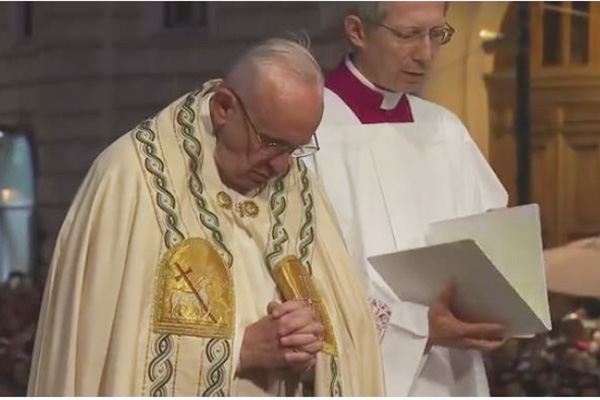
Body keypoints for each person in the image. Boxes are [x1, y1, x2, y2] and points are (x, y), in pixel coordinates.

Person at [27, 38, 385, 396]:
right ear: (224, 108)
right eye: (271, 143)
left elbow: (349, 336)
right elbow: (103, 353)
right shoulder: (131, 179)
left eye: (295, 148)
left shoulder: (298, 190)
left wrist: (307, 347)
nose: (281, 165)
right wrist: (241, 351)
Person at [309, 2, 509, 396]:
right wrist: (415, 329)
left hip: (452, 373)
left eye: (437, 34)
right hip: (355, 373)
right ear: (357, 31)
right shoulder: (309, 130)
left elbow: (487, 246)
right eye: (408, 35)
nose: (426, 54)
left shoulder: (446, 130)